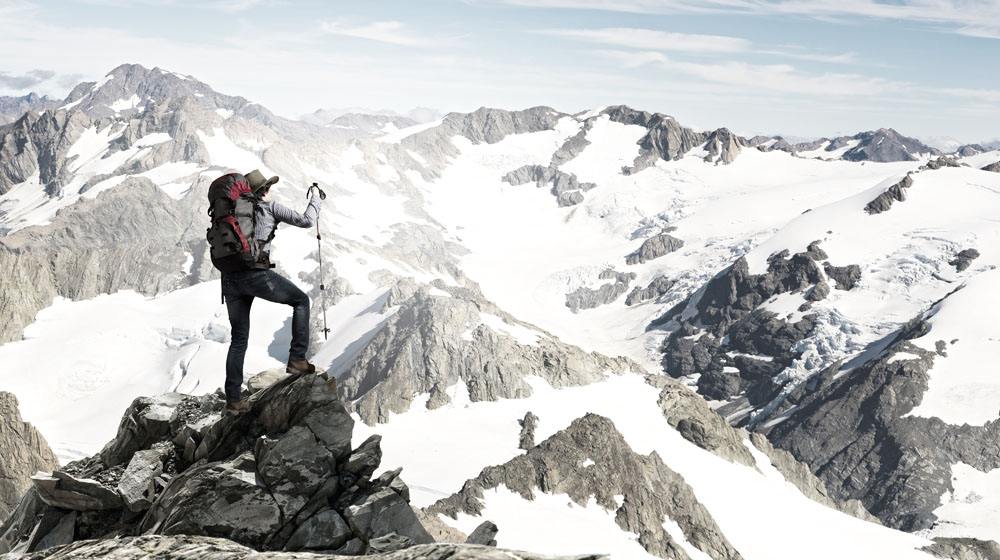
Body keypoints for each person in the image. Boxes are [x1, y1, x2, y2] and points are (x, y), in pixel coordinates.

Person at [221, 169, 322, 413]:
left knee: (238, 339)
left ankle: (234, 400)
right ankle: (297, 359)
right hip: (256, 274)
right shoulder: (270, 207)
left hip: (230, 279)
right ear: (264, 190)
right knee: (301, 301)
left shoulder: (232, 212)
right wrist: (316, 198)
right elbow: (306, 220)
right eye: (268, 187)